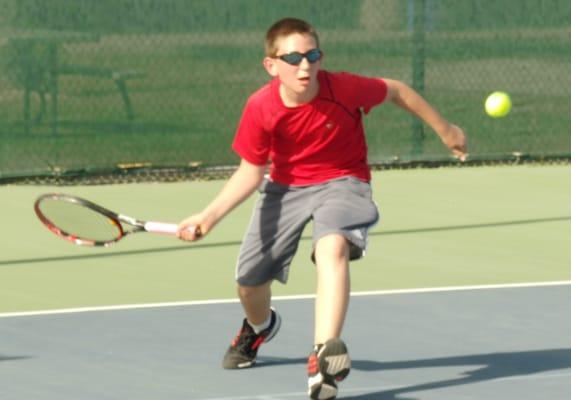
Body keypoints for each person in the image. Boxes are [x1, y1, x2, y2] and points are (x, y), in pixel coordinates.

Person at [178, 17, 467, 400]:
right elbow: (251, 173)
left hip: (343, 180)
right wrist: (208, 216)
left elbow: (396, 91)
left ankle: (324, 357)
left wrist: (445, 129)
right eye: (294, 57)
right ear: (271, 65)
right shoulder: (260, 107)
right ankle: (260, 327)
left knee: (332, 247)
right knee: (249, 282)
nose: (304, 66)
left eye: (312, 55)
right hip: (284, 188)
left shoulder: (344, 88)